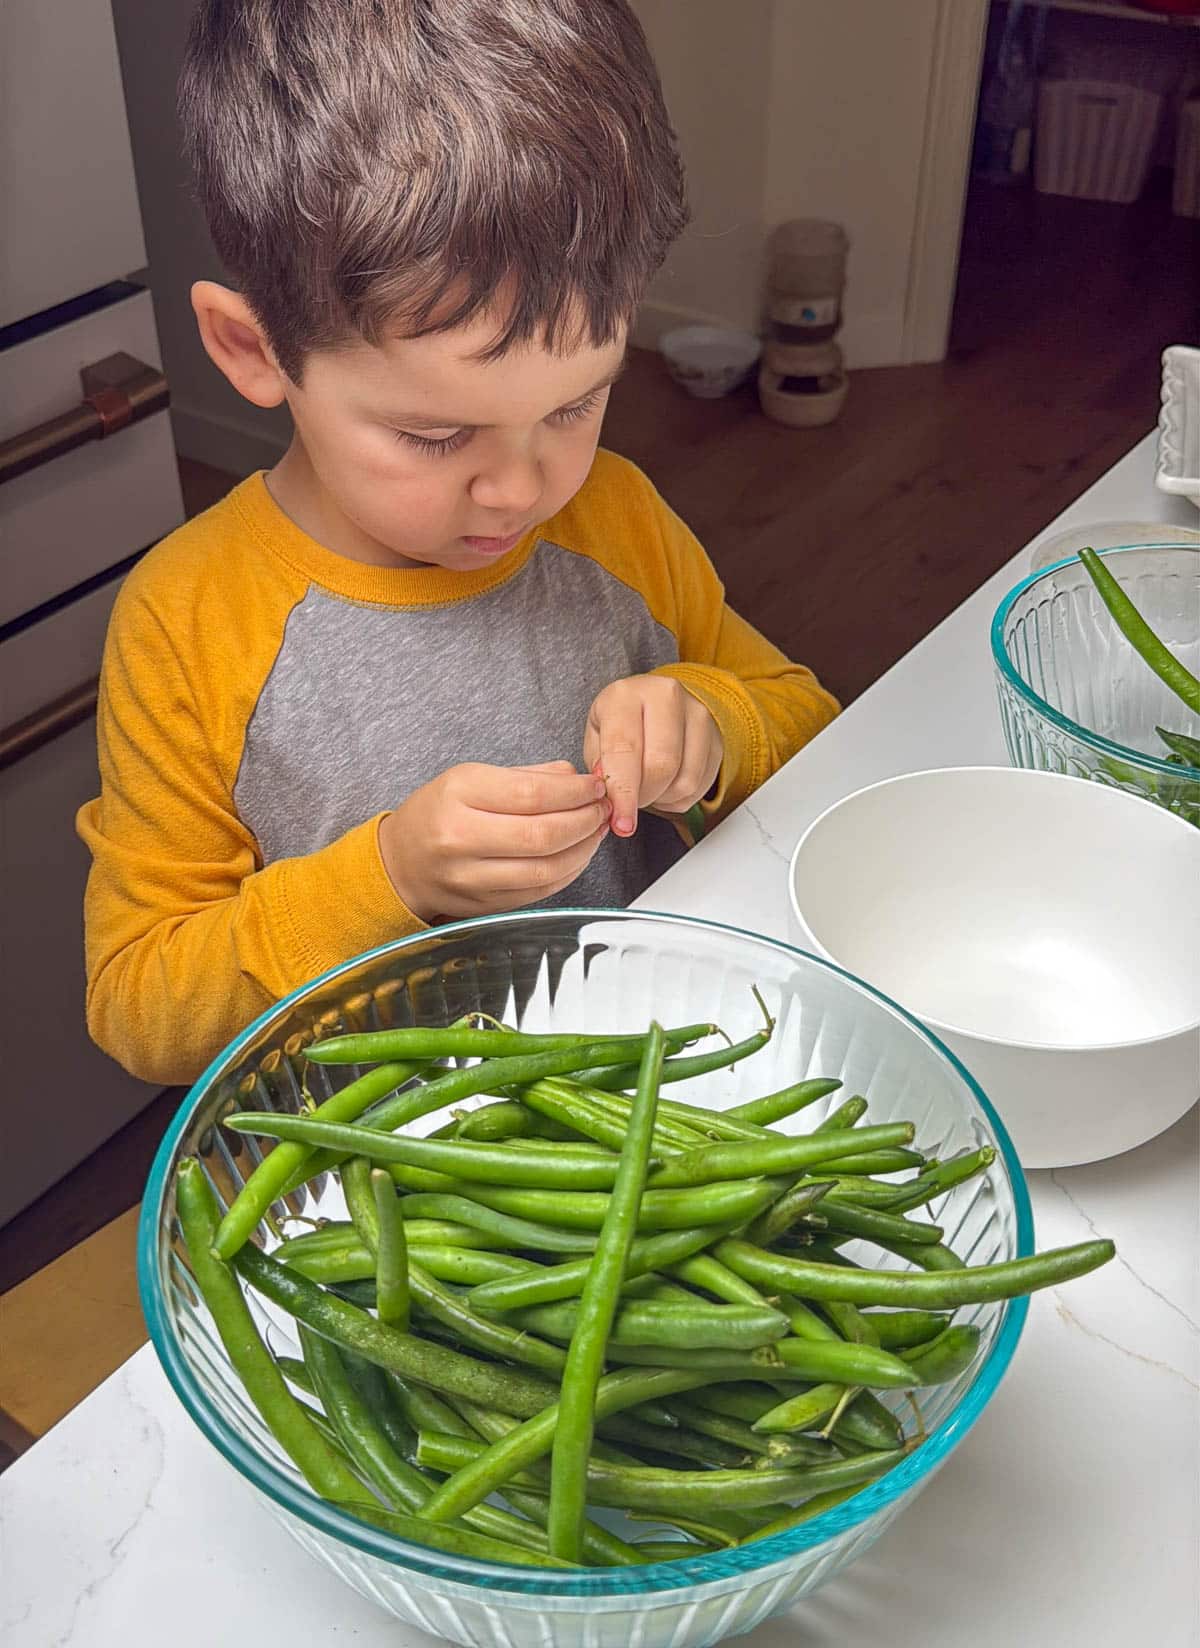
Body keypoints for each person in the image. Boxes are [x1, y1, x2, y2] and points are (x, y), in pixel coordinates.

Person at [78, 0, 839, 1086]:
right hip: (360, 1193)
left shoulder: (613, 519)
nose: (522, 487)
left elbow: (810, 722)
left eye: (577, 405)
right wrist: (387, 877)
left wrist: (711, 730)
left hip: (640, 1127)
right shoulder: (189, 621)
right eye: (434, 434)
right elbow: (142, 1005)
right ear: (253, 351)